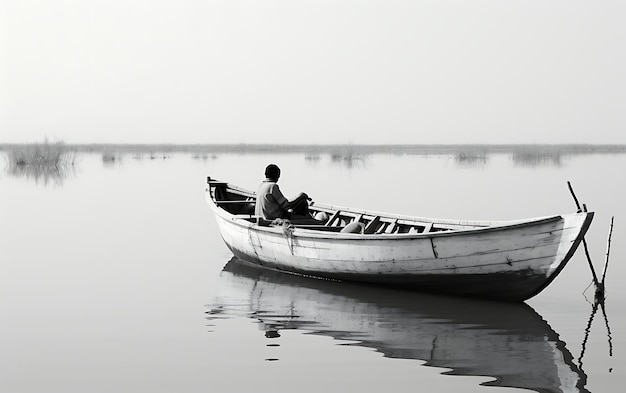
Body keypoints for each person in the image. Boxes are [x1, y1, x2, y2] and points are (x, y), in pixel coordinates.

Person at [255, 164, 320, 223]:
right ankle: (316, 222)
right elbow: (286, 205)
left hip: (264, 217)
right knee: (307, 218)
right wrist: (301, 196)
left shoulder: (262, 185)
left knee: (302, 203)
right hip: (274, 219)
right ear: (277, 176)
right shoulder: (272, 186)